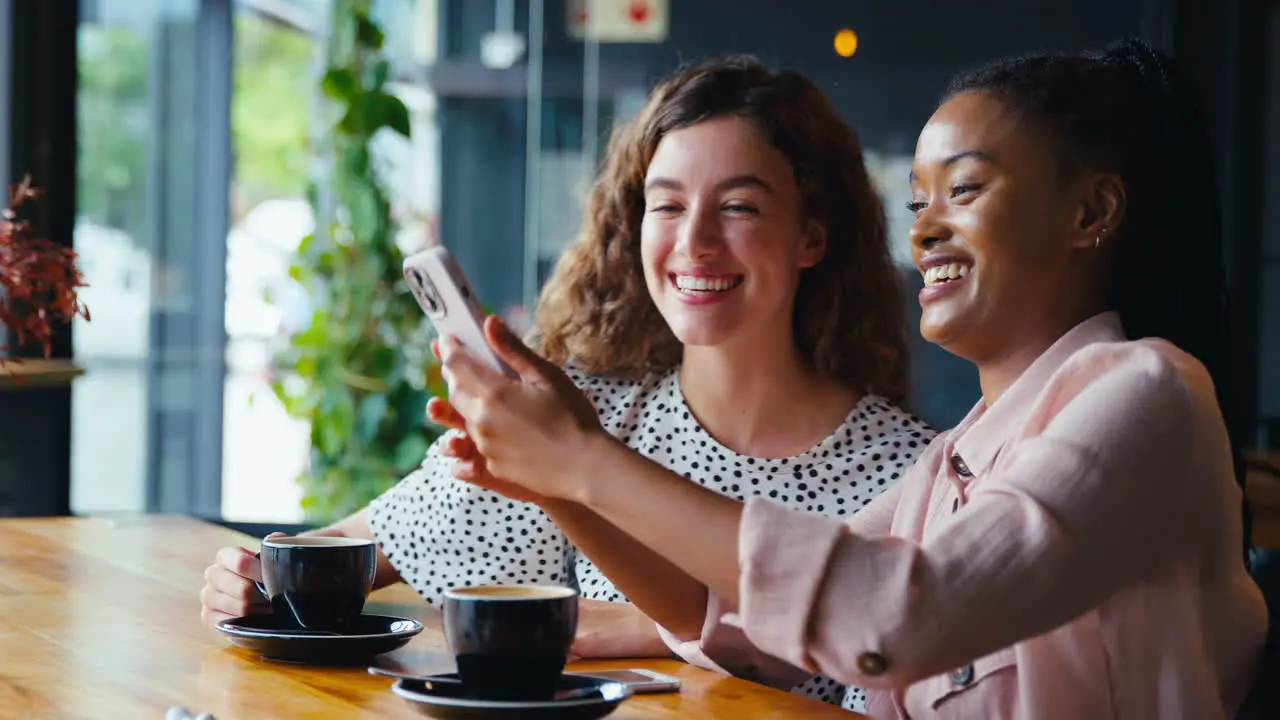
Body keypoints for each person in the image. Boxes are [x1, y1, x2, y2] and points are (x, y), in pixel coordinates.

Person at [433, 38, 1269, 717]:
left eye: (965, 189)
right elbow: (746, 627)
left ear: (1091, 213)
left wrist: (585, 460)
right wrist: (559, 486)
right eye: (917, 203)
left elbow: (891, 617)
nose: (928, 229)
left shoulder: (1150, 392)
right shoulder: (959, 457)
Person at [200, 56, 933, 711]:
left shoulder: (912, 474)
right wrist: (248, 579)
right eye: (668, 204)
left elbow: (883, 650)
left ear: (812, 235)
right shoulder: (593, 415)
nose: (695, 241)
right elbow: (349, 554)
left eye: (738, 206)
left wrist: (651, 629)